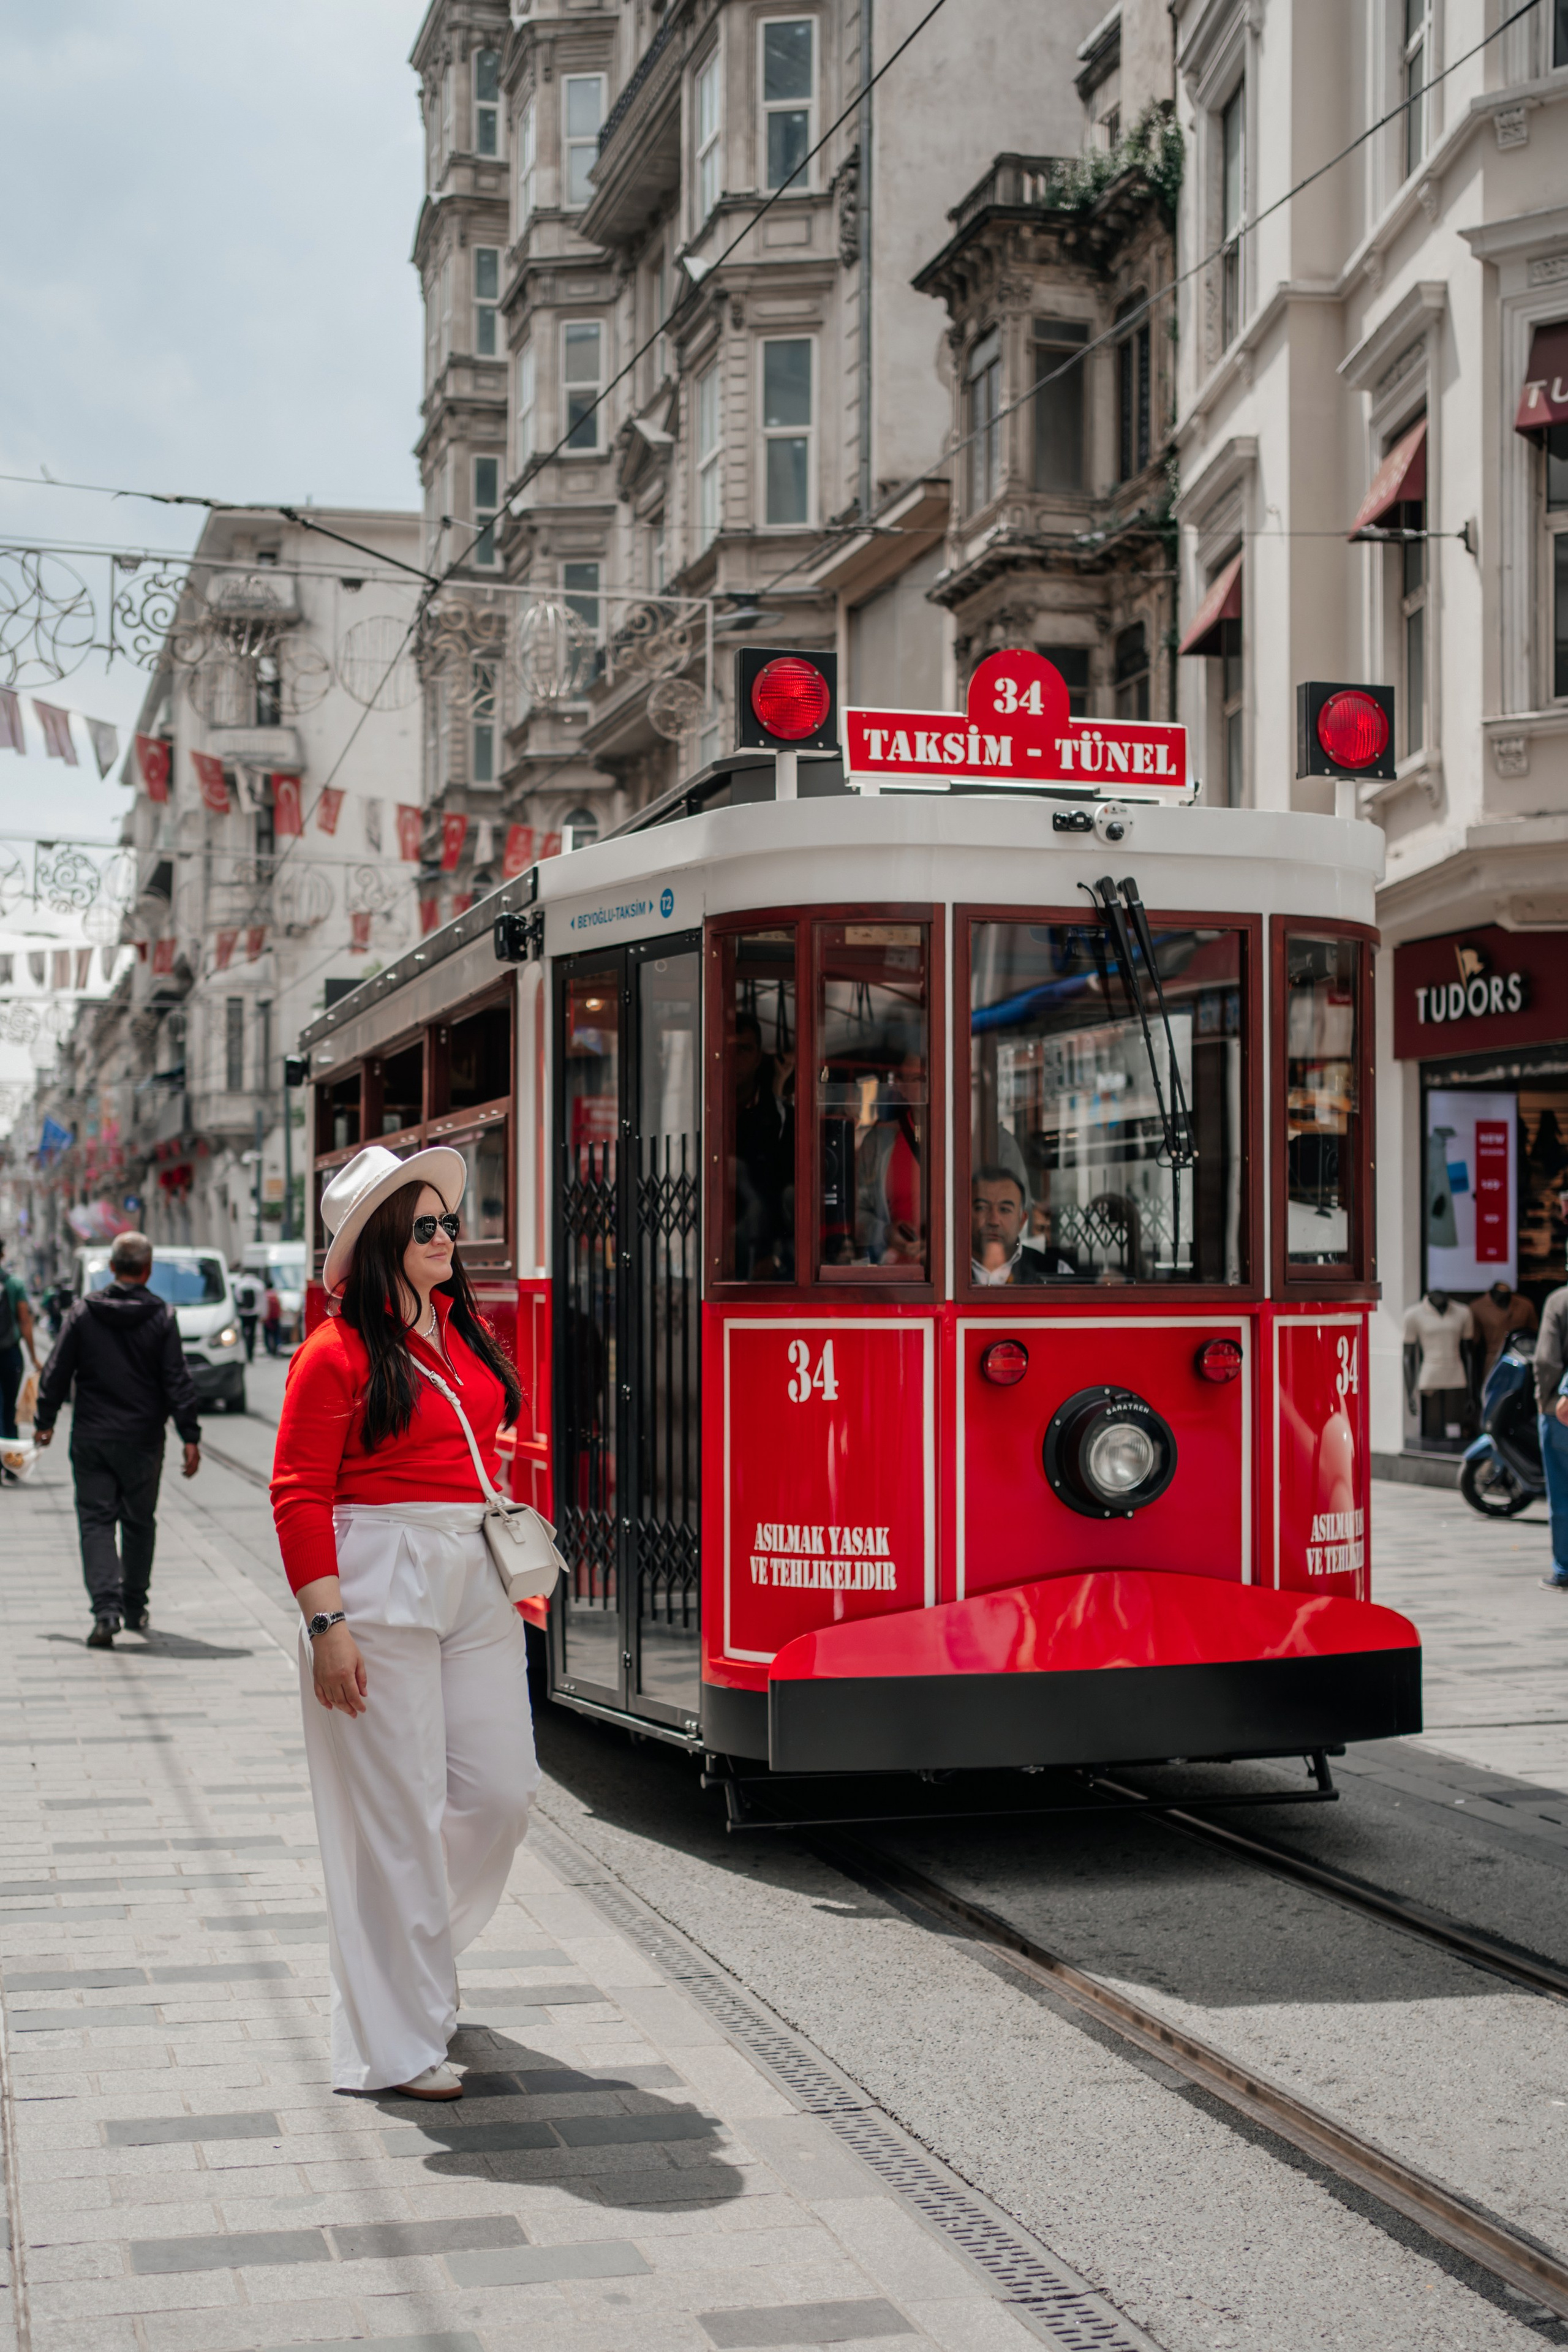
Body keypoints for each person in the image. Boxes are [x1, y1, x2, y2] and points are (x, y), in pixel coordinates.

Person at [270, 1143, 538, 2103]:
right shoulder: (334, 1353)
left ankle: (405, 1960)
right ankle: (399, 2038)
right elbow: (297, 1494)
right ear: (383, 1238)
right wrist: (326, 1627)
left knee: (501, 1793)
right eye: (424, 1225)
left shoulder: (462, 1331)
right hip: (380, 1578)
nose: (445, 1236)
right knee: (398, 1813)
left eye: (448, 1222)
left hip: (472, 1571)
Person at [34, 1231, 202, 1646]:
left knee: (95, 1521)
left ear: (112, 1267)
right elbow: (177, 1379)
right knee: (139, 1522)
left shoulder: (83, 1312)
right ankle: (133, 1605)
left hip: (92, 1436)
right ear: (148, 1270)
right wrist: (189, 1435)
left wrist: (44, 1420)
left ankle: (106, 1610)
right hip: (143, 1440)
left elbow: (56, 1370)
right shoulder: (162, 1316)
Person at [971, 1166, 1053, 1284]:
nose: (994, 1221)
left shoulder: (1056, 1271)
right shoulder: (947, 1267)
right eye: (981, 1208)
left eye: (1005, 1210)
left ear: (1022, 1221)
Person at [1539, 1280, 1568, 1590]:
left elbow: (1546, 1360)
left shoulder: (1560, 1300)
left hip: (1561, 1411)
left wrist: (1545, 1398)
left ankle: (1564, 1569)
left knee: (1562, 1495)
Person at [0, 1239, 40, 1451]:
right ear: (3, 1255)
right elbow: (25, 1321)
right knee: (9, 1408)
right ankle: (11, 1459)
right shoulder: (14, 1284)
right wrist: (34, 1357)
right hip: (10, 1355)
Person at [233, 1268, 261, 1362]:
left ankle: (245, 1353)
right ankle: (251, 1355)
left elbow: (237, 1300)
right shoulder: (258, 1284)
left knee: (244, 1335)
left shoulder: (239, 1284)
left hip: (243, 1313)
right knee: (252, 1335)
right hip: (254, 1313)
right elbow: (262, 1302)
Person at [263, 1283, 284, 1357]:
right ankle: (277, 1348)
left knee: (267, 1335)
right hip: (276, 1318)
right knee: (276, 1334)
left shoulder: (265, 1295)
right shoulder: (275, 1295)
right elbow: (279, 1306)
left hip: (267, 1318)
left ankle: (269, 1350)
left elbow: (264, 1308)